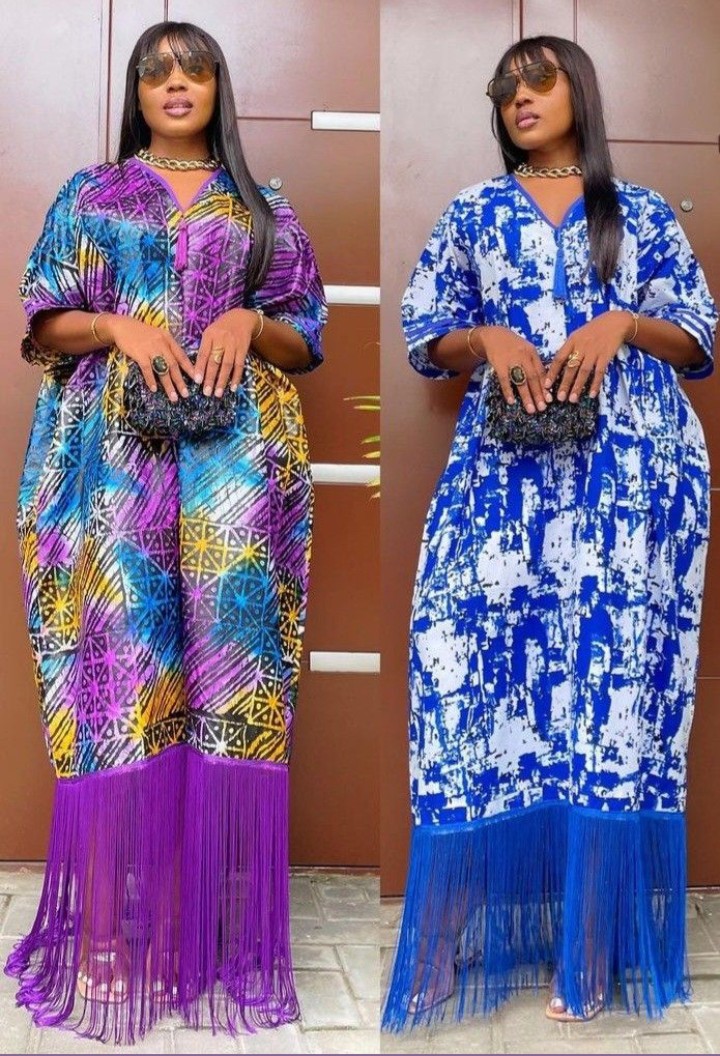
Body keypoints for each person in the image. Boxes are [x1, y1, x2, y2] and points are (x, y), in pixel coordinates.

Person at [383, 35, 718, 1030]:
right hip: (507, 475)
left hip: (629, 478)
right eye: (505, 88)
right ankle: (440, 936)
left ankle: (592, 940)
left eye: (540, 79)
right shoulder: (475, 212)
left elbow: (699, 334)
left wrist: (623, 324)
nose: (520, 98)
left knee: (610, 691)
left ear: (580, 90)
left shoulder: (639, 212)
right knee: (460, 664)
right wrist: (485, 334)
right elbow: (424, 332)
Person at [5, 21, 326, 1045]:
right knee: (122, 675)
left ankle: (195, 927)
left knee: (222, 683)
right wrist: (117, 325)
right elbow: (42, 321)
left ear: (218, 87)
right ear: (137, 93)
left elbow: (306, 336)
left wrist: (248, 321)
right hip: (114, 472)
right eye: (156, 70)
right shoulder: (93, 193)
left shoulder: (262, 205)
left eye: (195, 69)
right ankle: (104, 925)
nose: (176, 83)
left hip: (236, 474)